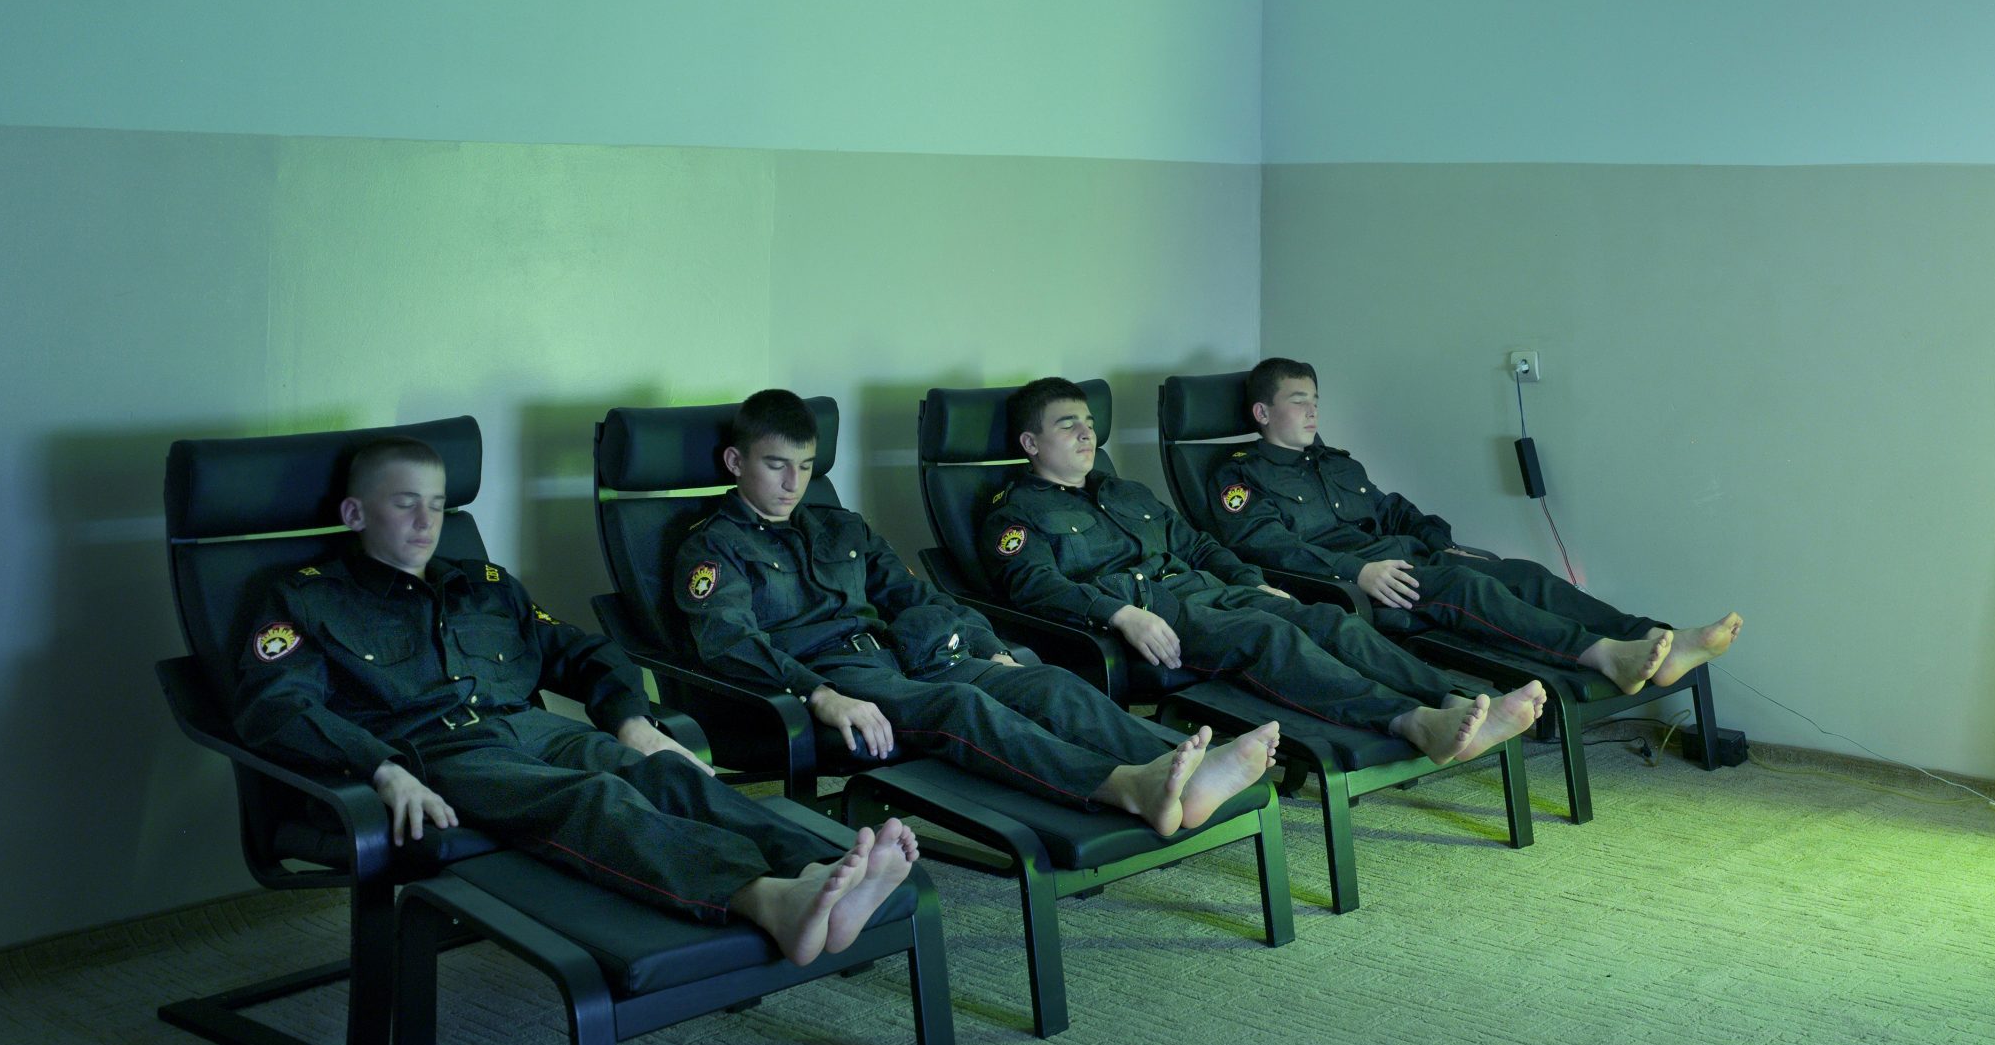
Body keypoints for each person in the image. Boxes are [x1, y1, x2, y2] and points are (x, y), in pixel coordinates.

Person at [232, 437, 914, 968]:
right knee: (595, 796)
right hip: (436, 754)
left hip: (529, 730)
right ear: (355, 513)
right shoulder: (305, 598)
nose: (425, 521)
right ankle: (764, 899)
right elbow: (277, 705)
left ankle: (818, 868)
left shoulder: (484, 585)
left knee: (663, 772)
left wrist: (632, 722)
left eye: (437, 504)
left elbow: (586, 652)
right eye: (404, 503)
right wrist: (383, 769)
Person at [670, 390, 1272, 837]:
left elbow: (916, 597)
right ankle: (1125, 788)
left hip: (910, 654)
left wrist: (987, 644)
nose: (793, 483)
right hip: (834, 676)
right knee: (963, 707)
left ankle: (1178, 769)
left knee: (1046, 682)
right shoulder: (713, 547)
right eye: (776, 465)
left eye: (805, 466)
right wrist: (818, 695)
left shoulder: (839, 526)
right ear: (735, 462)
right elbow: (729, 641)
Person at [983, 379, 1543, 765]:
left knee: (1329, 620)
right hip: (1155, 618)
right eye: (1068, 426)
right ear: (1031, 443)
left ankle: (1448, 701)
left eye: (1088, 423)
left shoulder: (1126, 492)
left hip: (1213, 593)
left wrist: (1253, 581)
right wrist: (1120, 614)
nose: (1087, 434)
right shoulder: (1014, 514)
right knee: (1270, 636)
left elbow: (1199, 545)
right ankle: (1409, 721)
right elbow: (1034, 585)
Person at [1212, 358, 1742, 696]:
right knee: (1468, 587)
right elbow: (1264, 545)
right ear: (1262, 412)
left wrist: (1443, 543)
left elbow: (1395, 510)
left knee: (1522, 572)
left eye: (1316, 400)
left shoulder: (1338, 464)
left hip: (1413, 559)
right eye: (1298, 401)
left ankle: (1654, 637)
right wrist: (1356, 571)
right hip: (1361, 584)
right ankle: (1603, 655)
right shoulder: (1239, 475)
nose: (1313, 411)